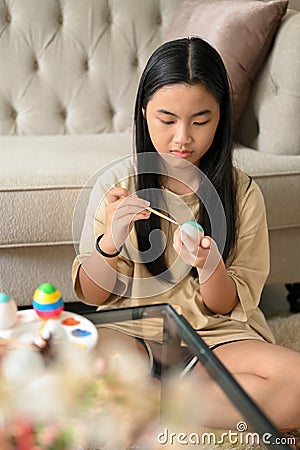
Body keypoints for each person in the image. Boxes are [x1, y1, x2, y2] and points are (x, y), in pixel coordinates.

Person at [72, 37, 300, 431]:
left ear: (221, 116)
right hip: (133, 333)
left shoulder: (241, 193)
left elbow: (225, 305)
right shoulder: (117, 184)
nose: (182, 138)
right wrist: (109, 243)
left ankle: (150, 404)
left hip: (215, 338)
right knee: (74, 364)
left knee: (297, 384)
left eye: (200, 121)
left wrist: (211, 266)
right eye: (167, 120)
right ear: (144, 113)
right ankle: (183, 406)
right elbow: (94, 296)